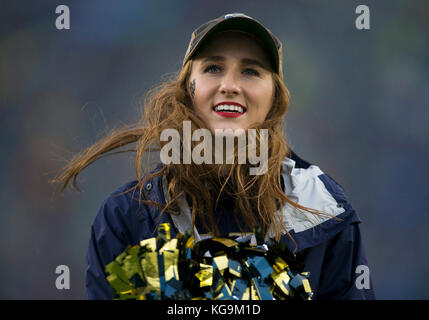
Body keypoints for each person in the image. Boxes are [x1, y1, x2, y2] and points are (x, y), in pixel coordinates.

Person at [52, 13, 376, 300]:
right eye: (213, 68)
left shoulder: (323, 209)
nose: (230, 85)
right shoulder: (125, 218)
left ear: (275, 98)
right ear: (186, 90)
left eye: (251, 71)